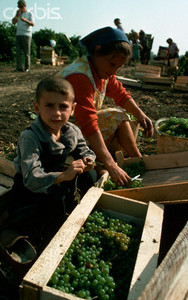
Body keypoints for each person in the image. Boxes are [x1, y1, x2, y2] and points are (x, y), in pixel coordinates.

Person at [58, 27, 154, 187]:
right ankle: (103, 167)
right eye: (112, 64)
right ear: (97, 51)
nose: (114, 71)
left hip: (77, 128)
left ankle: (137, 160)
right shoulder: (80, 77)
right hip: (60, 135)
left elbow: (120, 94)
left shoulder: (101, 70)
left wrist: (141, 115)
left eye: (119, 67)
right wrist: (111, 164)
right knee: (115, 119)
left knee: (120, 115)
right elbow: (89, 124)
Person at [4, 77, 97, 234]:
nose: (57, 113)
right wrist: (63, 175)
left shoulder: (71, 131)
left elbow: (84, 150)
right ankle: (50, 234)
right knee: (55, 199)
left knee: (90, 176)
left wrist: (88, 160)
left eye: (63, 106)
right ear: (37, 107)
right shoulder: (31, 137)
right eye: (49, 105)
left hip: (58, 179)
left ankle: (77, 213)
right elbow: (31, 178)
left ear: (73, 109)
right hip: (31, 189)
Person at [12, 0, 34, 72]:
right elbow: (13, 22)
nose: (20, 8)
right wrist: (16, 15)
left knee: (26, 53)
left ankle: (27, 68)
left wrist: (25, 20)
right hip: (18, 34)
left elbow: (32, 24)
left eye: (21, 6)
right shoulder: (18, 14)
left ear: (24, 6)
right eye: (18, 7)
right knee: (18, 52)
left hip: (27, 35)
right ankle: (19, 68)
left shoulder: (30, 14)